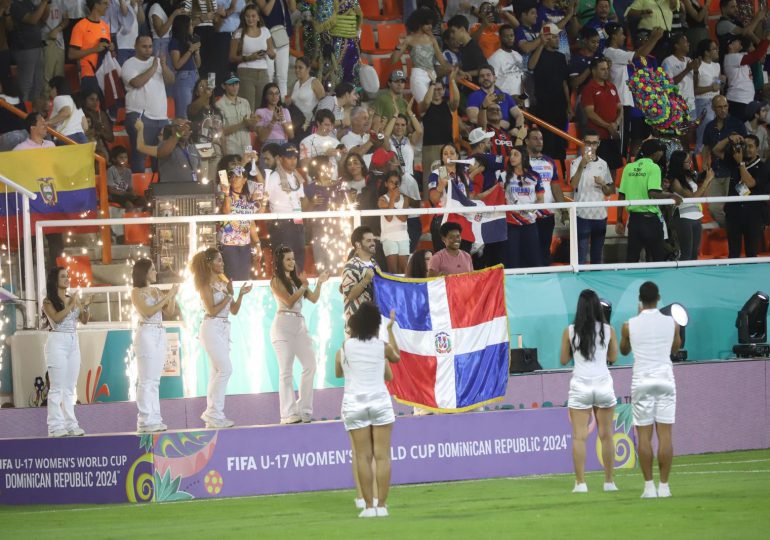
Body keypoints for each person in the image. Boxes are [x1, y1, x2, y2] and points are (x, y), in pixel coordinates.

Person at [335, 301, 399, 518]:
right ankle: (382, 506)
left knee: (362, 457)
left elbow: (338, 371)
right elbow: (397, 358)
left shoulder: (345, 347)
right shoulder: (382, 346)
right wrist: (390, 331)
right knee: (382, 457)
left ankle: (368, 507)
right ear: (376, 325)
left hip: (354, 404)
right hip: (380, 402)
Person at [620, 281, 681, 498]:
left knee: (644, 436)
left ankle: (649, 487)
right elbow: (676, 347)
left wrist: (632, 332)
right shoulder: (671, 323)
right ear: (658, 298)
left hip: (642, 381)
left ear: (640, 300)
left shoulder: (629, 325)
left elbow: (624, 350)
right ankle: (664, 487)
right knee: (665, 436)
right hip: (665, 379)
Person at [559, 289, 619, 493]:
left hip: (580, 386)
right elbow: (614, 358)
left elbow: (563, 359)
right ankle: (609, 482)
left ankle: (581, 483)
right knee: (607, 435)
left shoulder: (570, 331)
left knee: (578, 437)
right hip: (603, 384)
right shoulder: (608, 330)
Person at [190, 248, 252, 428]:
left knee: (216, 372)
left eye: (222, 260)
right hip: (211, 327)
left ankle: (214, 415)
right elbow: (212, 309)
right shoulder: (205, 285)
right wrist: (229, 295)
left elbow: (233, 310)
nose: (222, 263)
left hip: (224, 328)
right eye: (218, 260)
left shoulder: (223, 283)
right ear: (209, 263)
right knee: (225, 369)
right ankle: (213, 413)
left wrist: (239, 294)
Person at [270, 245, 328, 424]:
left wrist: (318, 283)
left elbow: (314, 298)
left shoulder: (297, 279)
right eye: (288, 259)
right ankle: (288, 413)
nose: (292, 262)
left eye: (293, 258)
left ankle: (304, 409)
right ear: (280, 261)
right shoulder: (275, 280)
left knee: (310, 365)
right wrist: (303, 287)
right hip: (283, 325)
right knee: (286, 371)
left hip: (299, 325)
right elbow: (288, 301)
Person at [42, 266, 92, 437]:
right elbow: (56, 319)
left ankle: (71, 423)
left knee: (70, 387)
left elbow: (84, 320)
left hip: (73, 340)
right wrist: (72, 305)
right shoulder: (48, 301)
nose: (67, 278)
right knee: (57, 387)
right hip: (57, 341)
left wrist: (85, 306)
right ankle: (55, 426)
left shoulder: (72, 299)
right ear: (55, 280)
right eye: (63, 276)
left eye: (67, 276)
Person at [130, 258, 178, 433]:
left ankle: (155, 417)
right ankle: (145, 419)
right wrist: (167, 296)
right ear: (144, 272)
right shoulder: (136, 292)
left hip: (159, 332)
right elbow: (148, 312)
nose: (155, 272)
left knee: (155, 380)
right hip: (146, 334)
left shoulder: (156, 290)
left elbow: (170, 312)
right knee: (146, 380)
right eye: (152, 270)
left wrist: (171, 298)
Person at [617, 139, 682, 262]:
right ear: (655, 153)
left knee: (632, 258)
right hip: (650, 220)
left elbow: (621, 195)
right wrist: (671, 196)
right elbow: (653, 193)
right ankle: (656, 281)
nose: (662, 154)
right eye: (661, 151)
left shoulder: (629, 167)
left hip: (634, 220)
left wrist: (619, 220)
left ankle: (632, 282)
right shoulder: (654, 167)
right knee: (657, 257)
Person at [122, 35, 175, 173]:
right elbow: (137, 83)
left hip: (161, 118)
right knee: (139, 155)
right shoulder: (129, 63)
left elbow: (170, 80)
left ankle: (161, 190)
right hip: (139, 116)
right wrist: (153, 67)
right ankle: (139, 191)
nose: (148, 50)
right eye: (144, 46)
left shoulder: (157, 62)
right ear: (135, 46)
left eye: (150, 46)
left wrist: (162, 65)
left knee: (163, 157)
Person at [570, 131, 616, 264]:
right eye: (588, 142)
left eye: (594, 143)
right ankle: (579, 282)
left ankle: (596, 282)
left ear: (599, 144)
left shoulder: (603, 164)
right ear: (583, 143)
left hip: (600, 215)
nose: (591, 145)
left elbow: (608, 192)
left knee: (597, 254)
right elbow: (573, 184)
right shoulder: (575, 162)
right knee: (581, 254)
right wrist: (581, 166)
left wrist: (603, 184)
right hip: (582, 215)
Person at [702, 94, 747, 226]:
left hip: (735, 172)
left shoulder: (738, 124)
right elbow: (706, 146)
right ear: (713, 108)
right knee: (713, 208)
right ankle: (731, 229)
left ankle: (737, 231)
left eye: (725, 106)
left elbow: (745, 146)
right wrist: (705, 161)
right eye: (719, 107)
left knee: (742, 204)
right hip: (717, 172)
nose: (723, 109)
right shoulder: (709, 126)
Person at [526, 128, 568, 266]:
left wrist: (563, 210)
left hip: (547, 214)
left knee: (544, 249)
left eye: (541, 138)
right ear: (526, 141)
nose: (539, 141)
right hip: (527, 215)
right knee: (529, 250)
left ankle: (544, 277)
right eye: (535, 138)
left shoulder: (549, 162)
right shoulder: (522, 162)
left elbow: (555, 187)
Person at [528, 23, 570, 161]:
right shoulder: (538, 54)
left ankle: (561, 171)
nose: (558, 39)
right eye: (555, 36)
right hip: (543, 105)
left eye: (558, 36)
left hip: (560, 105)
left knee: (561, 141)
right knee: (547, 141)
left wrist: (568, 105)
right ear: (547, 38)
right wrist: (541, 44)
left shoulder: (561, 57)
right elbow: (531, 66)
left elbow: (564, 82)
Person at [391, 7, 451, 102]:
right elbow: (393, 60)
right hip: (418, 77)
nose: (431, 26)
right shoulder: (409, 39)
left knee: (434, 107)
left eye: (432, 24)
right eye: (427, 24)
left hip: (433, 76)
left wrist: (453, 69)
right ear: (419, 23)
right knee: (425, 105)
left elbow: (442, 60)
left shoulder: (432, 39)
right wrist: (399, 45)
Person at [266, 143, 309, 270]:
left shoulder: (297, 177)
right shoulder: (273, 177)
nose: (293, 160)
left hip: (297, 222)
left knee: (299, 259)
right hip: (281, 224)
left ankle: (298, 286)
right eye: (289, 157)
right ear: (280, 158)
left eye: (295, 157)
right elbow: (263, 199)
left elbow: (301, 200)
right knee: (285, 261)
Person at [217, 165, 264, 280]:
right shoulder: (223, 194)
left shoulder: (247, 198)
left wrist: (257, 243)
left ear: (244, 180)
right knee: (231, 279)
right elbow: (226, 212)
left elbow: (251, 223)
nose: (233, 179)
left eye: (237, 177)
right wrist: (227, 194)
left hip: (245, 245)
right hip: (228, 244)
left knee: (244, 278)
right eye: (231, 177)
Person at [724, 133, 767, 258]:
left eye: (750, 146)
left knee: (751, 253)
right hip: (733, 214)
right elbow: (716, 150)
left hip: (753, 216)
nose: (747, 149)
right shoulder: (735, 160)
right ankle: (732, 277)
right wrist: (728, 138)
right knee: (733, 253)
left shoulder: (763, 167)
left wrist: (741, 164)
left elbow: (750, 183)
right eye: (744, 146)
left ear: (757, 148)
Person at [229, 3, 276, 112]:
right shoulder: (238, 33)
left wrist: (270, 53)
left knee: (262, 107)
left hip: (263, 72)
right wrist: (249, 58)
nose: (250, 19)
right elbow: (231, 57)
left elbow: (273, 55)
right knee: (248, 106)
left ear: (258, 17)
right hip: (246, 73)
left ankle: (259, 128)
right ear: (244, 18)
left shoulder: (265, 31)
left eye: (253, 16)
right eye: (247, 16)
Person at [581, 57, 623, 178]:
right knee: (595, 167)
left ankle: (611, 193)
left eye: (607, 69)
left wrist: (616, 123)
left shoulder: (612, 86)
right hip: (596, 138)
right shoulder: (589, 88)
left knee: (613, 166)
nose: (606, 72)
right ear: (593, 71)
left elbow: (620, 108)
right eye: (602, 69)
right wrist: (608, 126)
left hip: (612, 135)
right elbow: (590, 113)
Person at [503, 145, 544, 269]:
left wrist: (532, 210)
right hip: (511, 223)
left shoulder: (535, 176)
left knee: (533, 259)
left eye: (516, 154)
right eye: (511, 154)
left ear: (524, 157)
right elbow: (499, 197)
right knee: (512, 261)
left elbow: (541, 199)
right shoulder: (504, 176)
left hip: (530, 222)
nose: (512, 157)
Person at [668, 150, 714, 260]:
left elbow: (702, 195)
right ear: (679, 163)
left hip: (696, 216)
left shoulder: (691, 176)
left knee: (695, 254)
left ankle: (692, 276)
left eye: (690, 161)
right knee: (686, 254)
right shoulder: (674, 180)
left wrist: (709, 180)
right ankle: (684, 276)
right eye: (687, 162)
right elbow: (691, 197)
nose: (690, 164)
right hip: (683, 216)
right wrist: (706, 181)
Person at [69, 0, 111, 95]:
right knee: (90, 105)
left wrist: (111, 48)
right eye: (105, 3)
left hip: (103, 72)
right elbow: (71, 54)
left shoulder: (105, 26)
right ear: (96, 5)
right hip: (88, 73)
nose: (108, 6)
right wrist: (94, 49)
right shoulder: (80, 26)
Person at [11, 0, 49, 101]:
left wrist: (47, 4)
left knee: (38, 83)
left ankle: (33, 112)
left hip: (36, 46)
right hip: (25, 48)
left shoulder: (28, 2)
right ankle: (22, 111)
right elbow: (32, 19)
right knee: (26, 84)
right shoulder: (14, 4)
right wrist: (44, 2)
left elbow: (43, 19)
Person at [340, 225, 378, 323]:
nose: (373, 243)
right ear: (358, 245)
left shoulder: (374, 263)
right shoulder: (351, 266)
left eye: (373, 240)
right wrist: (366, 280)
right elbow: (350, 295)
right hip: (357, 324)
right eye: (368, 241)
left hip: (373, 322)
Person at [378, 171, 412, 274]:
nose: (394, 184)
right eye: (391, 182)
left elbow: (403, 218)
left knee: (405, 269)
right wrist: (392, 198)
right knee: (393, 269)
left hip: (403, 236)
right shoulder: (382, 199)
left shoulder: (405, 199)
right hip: (388, 236)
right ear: (386, 184)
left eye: (396, 182)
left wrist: (391, 206)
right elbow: (389, 217)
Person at [216, 72, 258, 156]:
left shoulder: (245, 102)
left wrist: (253, 122)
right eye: (231, 84)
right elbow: (221, 132)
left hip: (247, 149)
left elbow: (252, 129)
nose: (235, 87)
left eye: (236, 83)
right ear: (223, 86)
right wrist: (242, 124)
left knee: (248, 169)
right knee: (234, 169)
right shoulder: (219, 105)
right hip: (232, 151)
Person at [168, 14, 201, 120]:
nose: (193, 27)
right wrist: (190, 50)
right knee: (184, 116)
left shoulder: (190, 40)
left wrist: (196, 53)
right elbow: (177, 65)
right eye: (190, 25)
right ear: (184, 26)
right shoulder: (175, 42)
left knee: (196, 114)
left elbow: (198, 64)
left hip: (195, 76)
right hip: (183, 79)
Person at [693, 39, 724, 153]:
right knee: (704, 132)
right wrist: (711, 88)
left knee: (717, 132)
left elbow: (718, 84)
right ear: (706, 52)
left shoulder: (717, 66)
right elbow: (694, 90)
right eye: (714, 49)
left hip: (717, 101)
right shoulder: (698, 66)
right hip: (703, 102)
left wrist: (722, 82)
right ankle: (698, 157)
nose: (717, 51)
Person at [285, 57, 325, 139]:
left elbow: (323, 102)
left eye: (300, 67)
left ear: (308, 69)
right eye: (295, 67)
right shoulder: (296, 83)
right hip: (296, 122)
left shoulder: (314, 82)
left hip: (308, 123)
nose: (297, 70)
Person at [487, 24, 526, 99]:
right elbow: (490, 82)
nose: (510, 38)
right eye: (506, 36)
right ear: (500, 38)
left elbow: (522, 78)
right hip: (503, 102)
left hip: (519, 102)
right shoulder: (495, 58)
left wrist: (522, 98)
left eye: (511, 35)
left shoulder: (518, 56)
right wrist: (508, 98)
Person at [255, 82, 293, 149]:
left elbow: (291, 135)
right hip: (268, 146)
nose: (274, 96)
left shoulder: (285, 111)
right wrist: (273, 121)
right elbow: (261, 138)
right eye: (271, 93)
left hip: (283, 145)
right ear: (266, 96)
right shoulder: (260, 112)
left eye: (276, 93)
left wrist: (283, 120)